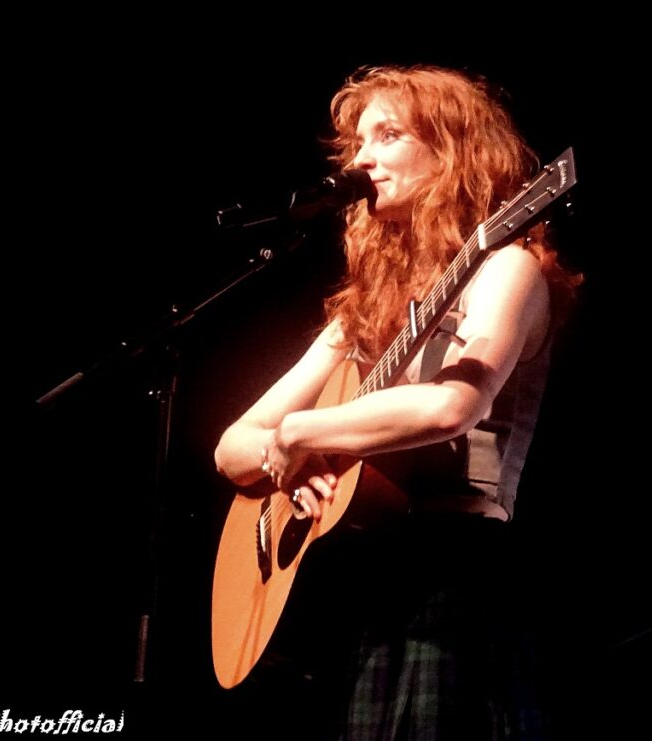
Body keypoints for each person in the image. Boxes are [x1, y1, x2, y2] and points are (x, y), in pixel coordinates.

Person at [214, 64, 581, 739]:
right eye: (358, 143)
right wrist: (287, 453)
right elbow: (233, 446)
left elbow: (453, 407)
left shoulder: (507, 267)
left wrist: (301, 434)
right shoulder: (362, 310)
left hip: (459, 577)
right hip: (367, 583)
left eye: (388, 135)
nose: (362, 159)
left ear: (453, 152)